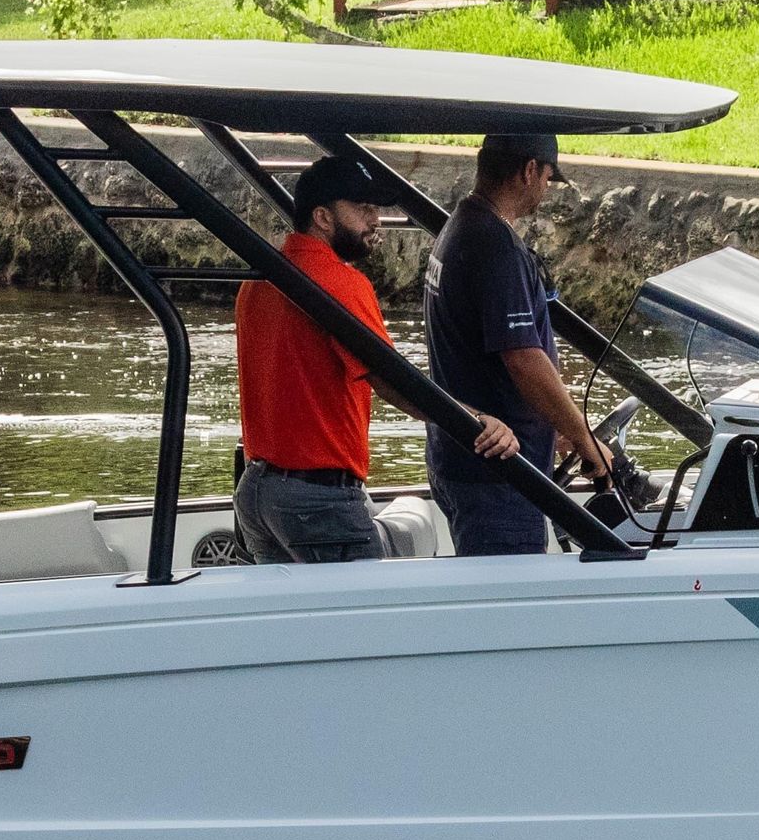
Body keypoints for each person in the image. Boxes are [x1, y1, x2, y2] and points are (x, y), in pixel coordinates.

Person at [231, 150, 513, 564]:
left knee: (293, 625)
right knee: (371, 624)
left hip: (258, 493)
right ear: (323, 218)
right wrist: (475, 421)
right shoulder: (343, 284)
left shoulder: (257, 281)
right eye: (362, 209)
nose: (375, 220)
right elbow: (393, 381)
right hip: (319, 501)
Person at [424, 131, 613, 556]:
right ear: (529, 171)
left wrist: (557, 425)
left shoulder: (461, 227)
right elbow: (524, 358)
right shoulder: (496, 247)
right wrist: (583, 439)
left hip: (459, 462)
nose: (546, 189)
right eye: (548, 177)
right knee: (505, 615)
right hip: (500, 474)